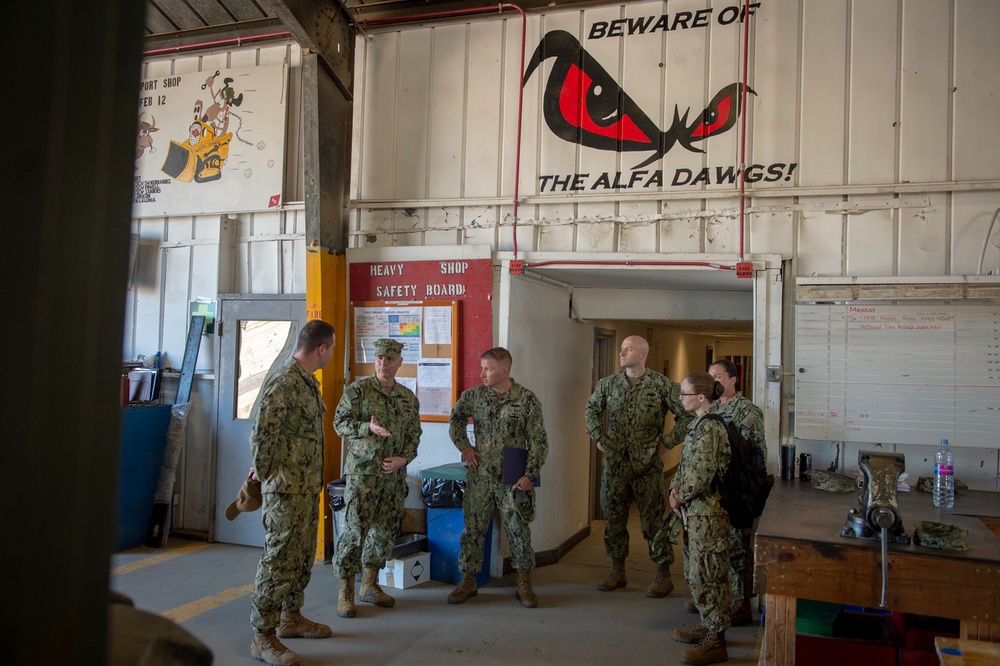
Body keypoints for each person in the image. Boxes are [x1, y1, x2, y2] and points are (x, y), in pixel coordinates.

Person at [248, 320, 336, 666]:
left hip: (304, 487)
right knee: (278, 560)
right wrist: (267, 477)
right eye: (331, 348)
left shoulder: (306, 382)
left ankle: (290, 617)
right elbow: (262, 434)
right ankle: (262, 636)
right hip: (285, 490)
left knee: (300, 558)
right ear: (322, 349)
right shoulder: (285, 381)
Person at [584, 335, 693, 597]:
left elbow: (688, 414)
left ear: (643, 354)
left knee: (653, 523)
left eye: (628, 349)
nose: (621, 352)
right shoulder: (608, 384)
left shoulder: (661, 385)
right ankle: (617, 571)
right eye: (621, 348)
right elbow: (591, 411)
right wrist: (598, 437)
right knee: (614, 520)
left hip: (647, 467)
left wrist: (667, 443)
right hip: (615, 466)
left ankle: (663, 575)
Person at [446, 347, 549, 608]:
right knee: (473, 530)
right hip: (480, 476)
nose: (481, 373)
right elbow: (455, 418)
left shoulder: (526, 400)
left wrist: (529, 475)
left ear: (504, 371)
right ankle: (468, 580)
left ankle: (524, 584)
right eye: (482, 368)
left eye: (488, 369)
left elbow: (539, 442)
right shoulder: (474, 396)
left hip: (512, 480)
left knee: (518, 531)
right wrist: (465, 447)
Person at [332, 338, 421, 618]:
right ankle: (346, 589)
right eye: (379, 357)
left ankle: (369, 585)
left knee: (383, 532)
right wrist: (366, 427)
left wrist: (403, 459)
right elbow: (339, 423)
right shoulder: (357, 391)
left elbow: (414, 436)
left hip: (392, 478)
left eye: (389, 359)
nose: (383, 363)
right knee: (355, 531)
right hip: (363, 475)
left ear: (399, 363)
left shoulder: (408, 398)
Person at [668, 372, 732, 666]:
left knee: (708, 574)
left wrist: (678, 495)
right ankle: (709, 625)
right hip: (696, 513)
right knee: (697, 571)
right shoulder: (699, 424)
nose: (681, 399)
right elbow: (688, 467)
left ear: (701, 397)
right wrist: (675, 490)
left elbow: (701, 474)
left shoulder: (709, 428)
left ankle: (716, 641)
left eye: (685, 393)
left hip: (707, 513)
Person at [706, 359, 767, 626]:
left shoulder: (747, 411)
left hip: (736, 491)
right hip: (712, 490)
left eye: (718, 377)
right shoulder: (709, 408)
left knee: (737, 549)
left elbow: (756, 456)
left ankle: (742, 603)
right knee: (714, 547)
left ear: (734, 380)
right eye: (710, 377)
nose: (713, 382)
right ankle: (716, 598)